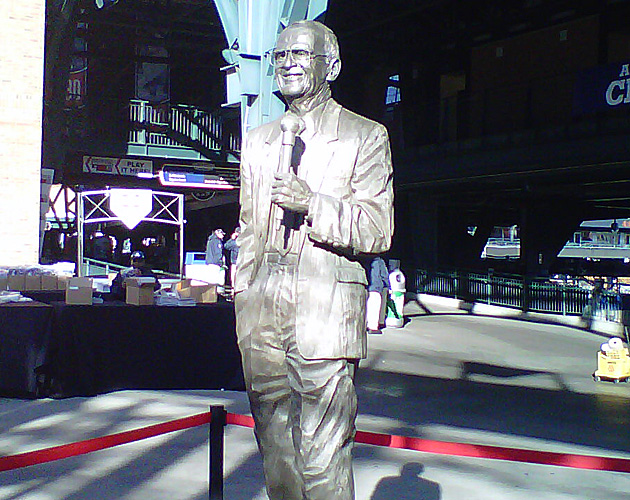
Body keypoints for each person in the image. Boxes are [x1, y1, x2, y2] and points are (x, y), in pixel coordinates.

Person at [234, 20, 394, 500]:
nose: (287, 64)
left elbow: (378, 228)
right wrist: (243, 293)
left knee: (323, 455)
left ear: (333, 66)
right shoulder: (259, 140)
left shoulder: (365, 136)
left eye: (300, 54)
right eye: (280, 56)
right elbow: (247, 227)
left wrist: (313, 203)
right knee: (275, 448)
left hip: (323, 312)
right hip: (262, 310)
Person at [366, 256, 390, 334]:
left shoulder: (364, 259)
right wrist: (387, 286)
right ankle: (373, 327)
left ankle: (365, 324)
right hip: (375, 288)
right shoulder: (379, 261)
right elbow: (384, 275)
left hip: (366, 287)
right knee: (374, 306)